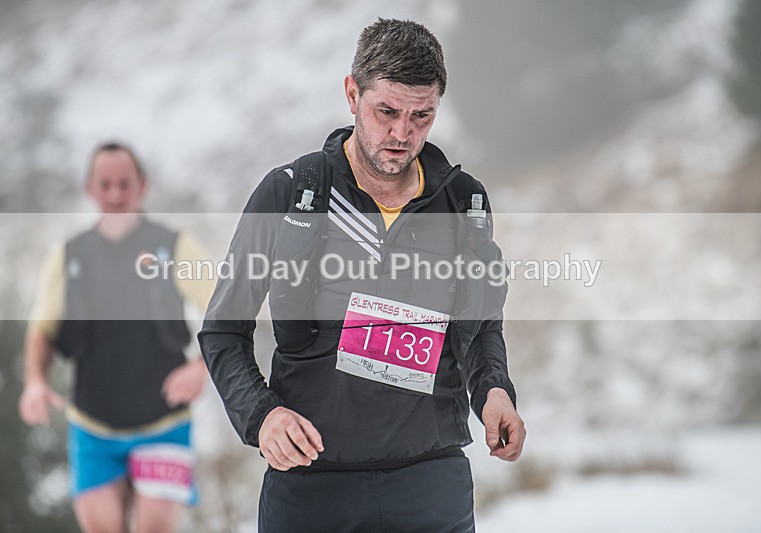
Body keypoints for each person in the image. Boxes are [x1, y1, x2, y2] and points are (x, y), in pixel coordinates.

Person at [199, 18, 525, 532]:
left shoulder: (464, 204)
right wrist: (262, 417)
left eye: (422, 116)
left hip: (431, 483)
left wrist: (495, 392)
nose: (402, 133)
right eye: (387, 111)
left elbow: (481, 326)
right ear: (352, 94)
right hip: (311, 484)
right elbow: (223, 330)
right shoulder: (290, 195)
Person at [18, 142, 214, 533]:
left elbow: (228, 310)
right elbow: (41, 330)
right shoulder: (68, 255)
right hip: (92, 428)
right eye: (105, 184)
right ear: (90, 188)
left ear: (142, 186)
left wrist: (200, 367)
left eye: (124, 184)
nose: (115, 194)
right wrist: (35, 382)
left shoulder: (175, 246)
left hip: (164, 423)